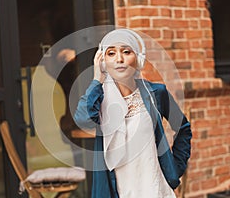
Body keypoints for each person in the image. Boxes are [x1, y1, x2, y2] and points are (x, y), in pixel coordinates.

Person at [74, 29, 192, 198]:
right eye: (111, 53)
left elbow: (183, 128)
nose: (119, 59)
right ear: (103, 61)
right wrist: (96, 80)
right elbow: (83, 119)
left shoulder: (156, 93)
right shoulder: (98, 99)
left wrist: (175, 167)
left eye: (126, 52)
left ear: (139, 59)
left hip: (156, 190)